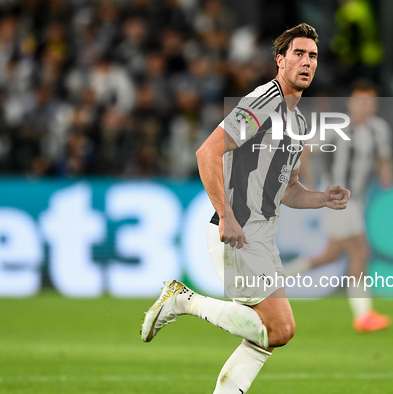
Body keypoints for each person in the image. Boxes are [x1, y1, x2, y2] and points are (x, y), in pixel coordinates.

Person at [140, 23, 351, 394]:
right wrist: (227, 215)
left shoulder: (298, 121)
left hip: (262, 236)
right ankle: (183, 301)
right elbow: (207, 151)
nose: (306, 62)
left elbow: (287, 190)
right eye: (298, 54)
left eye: (313, 56)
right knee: (280, 329)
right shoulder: (263, 101)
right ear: (280, 60)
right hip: (239, 231)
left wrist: (321, 198)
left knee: (263, 340)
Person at [285, 80, 393, 332]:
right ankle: (364, 315)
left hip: (357, 201)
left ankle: (275, 280)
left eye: (369, 102)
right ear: (351, 104)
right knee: (359, 252)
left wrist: (387, 176)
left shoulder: (379, 129)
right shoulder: (337, 126)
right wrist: (311, 187)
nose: (364, 106)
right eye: (360, 101)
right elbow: (305, 151)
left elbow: (383, 158)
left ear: (375, 105)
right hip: (337, 199)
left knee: (329, 256)